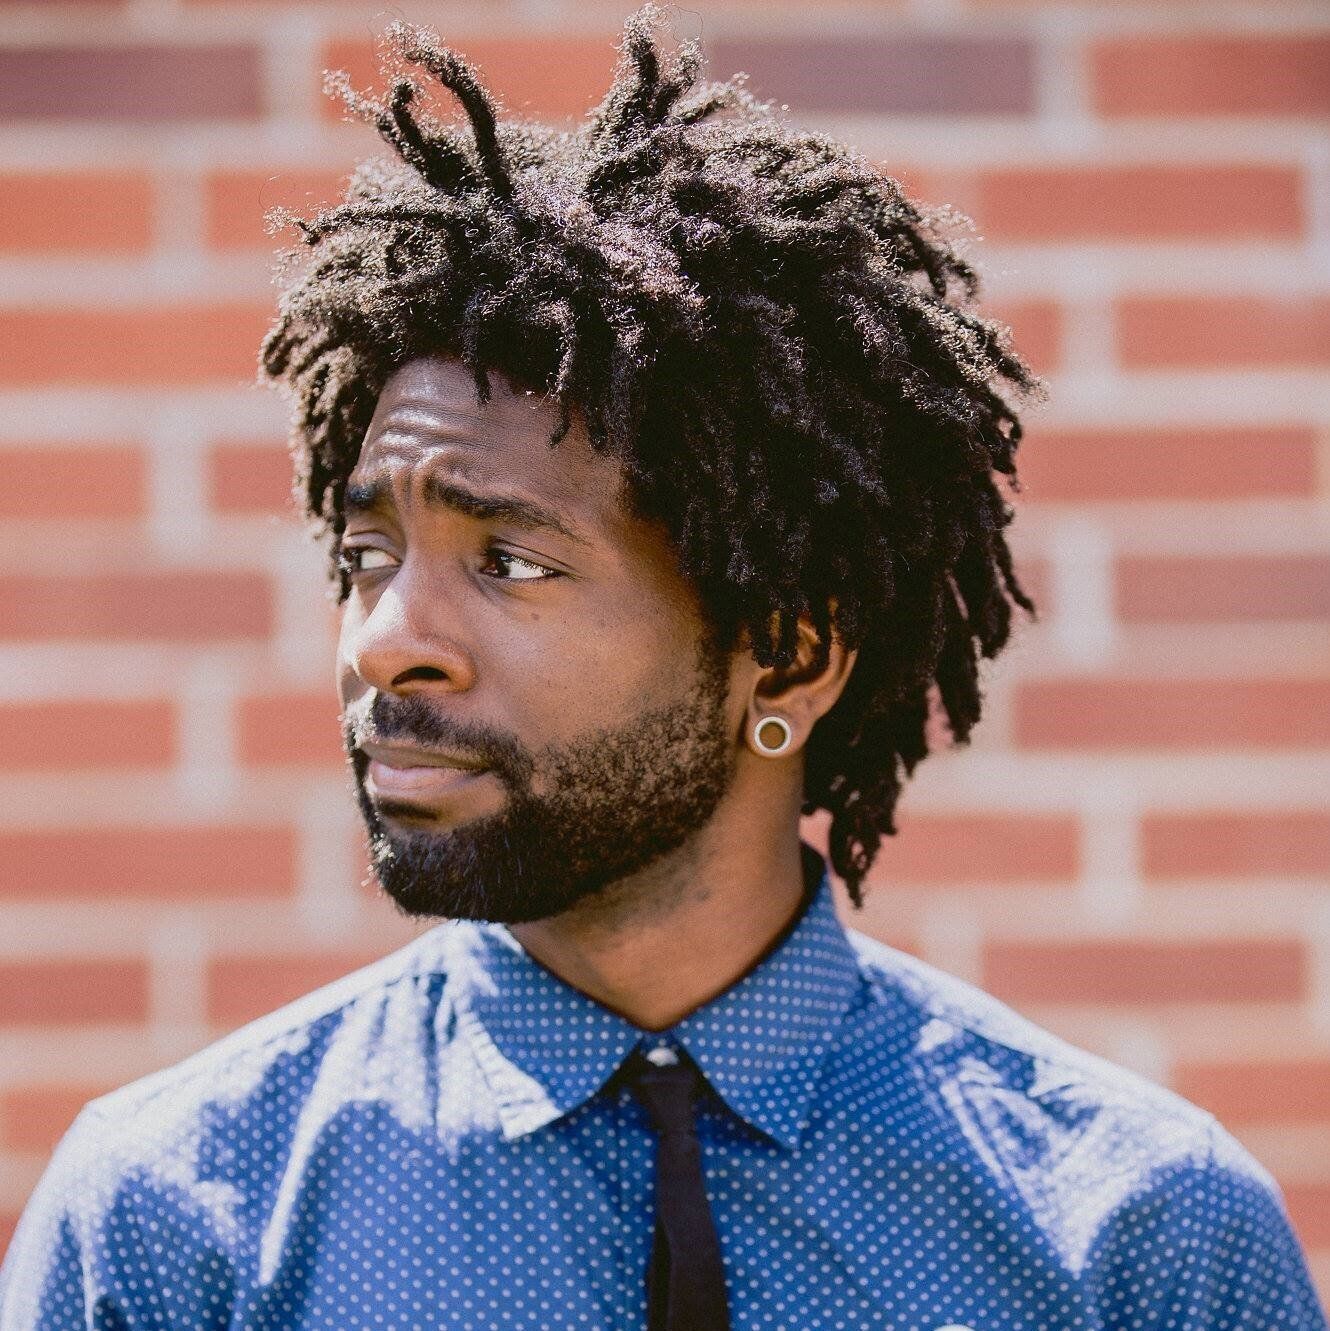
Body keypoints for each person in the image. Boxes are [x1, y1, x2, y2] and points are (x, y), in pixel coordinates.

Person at [1, 7, 1324, 1329]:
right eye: (365, 552)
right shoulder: (178, 1223)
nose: (385, 638)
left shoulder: (1135, 1237)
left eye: (510, 561)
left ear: (788, 658)